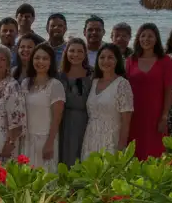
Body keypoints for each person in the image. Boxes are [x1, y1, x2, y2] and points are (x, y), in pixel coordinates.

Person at [126, 23, 172, 159]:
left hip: (156, 115)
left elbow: (168, 90)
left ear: (156, 39)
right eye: (143, 36)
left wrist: (164, 116)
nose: (146, 39)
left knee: (155, 153)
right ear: (138, 38)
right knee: (135, 151)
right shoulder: (131, 60)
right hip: (134, 115)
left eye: (150, 36)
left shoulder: (165, 61)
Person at [82, 43, 134, 159]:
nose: (106, 61)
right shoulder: (94, 81)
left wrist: (121, 149)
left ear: (117, 60)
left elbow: (126, 122)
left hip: (111, 141)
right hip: (90, 139)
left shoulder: (122, 84)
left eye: (110, 57)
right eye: (102, 57)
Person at [19, 42, 65, 168]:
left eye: (45, 58)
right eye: (37, 58)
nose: (40, 62)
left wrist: (50, 143)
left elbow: (57, 118)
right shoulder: (25, 83)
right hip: (26, 139)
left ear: (51, 62)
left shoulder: (55, 85)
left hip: (45, 139)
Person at [58, 37, 91, 167]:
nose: (75, 55)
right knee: (65, 155)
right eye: (72, 51)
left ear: (85, 54)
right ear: (66, 53)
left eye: (80, 51)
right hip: (64, 121)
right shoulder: (60, 75)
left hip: (86, 121)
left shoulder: (92, 74)